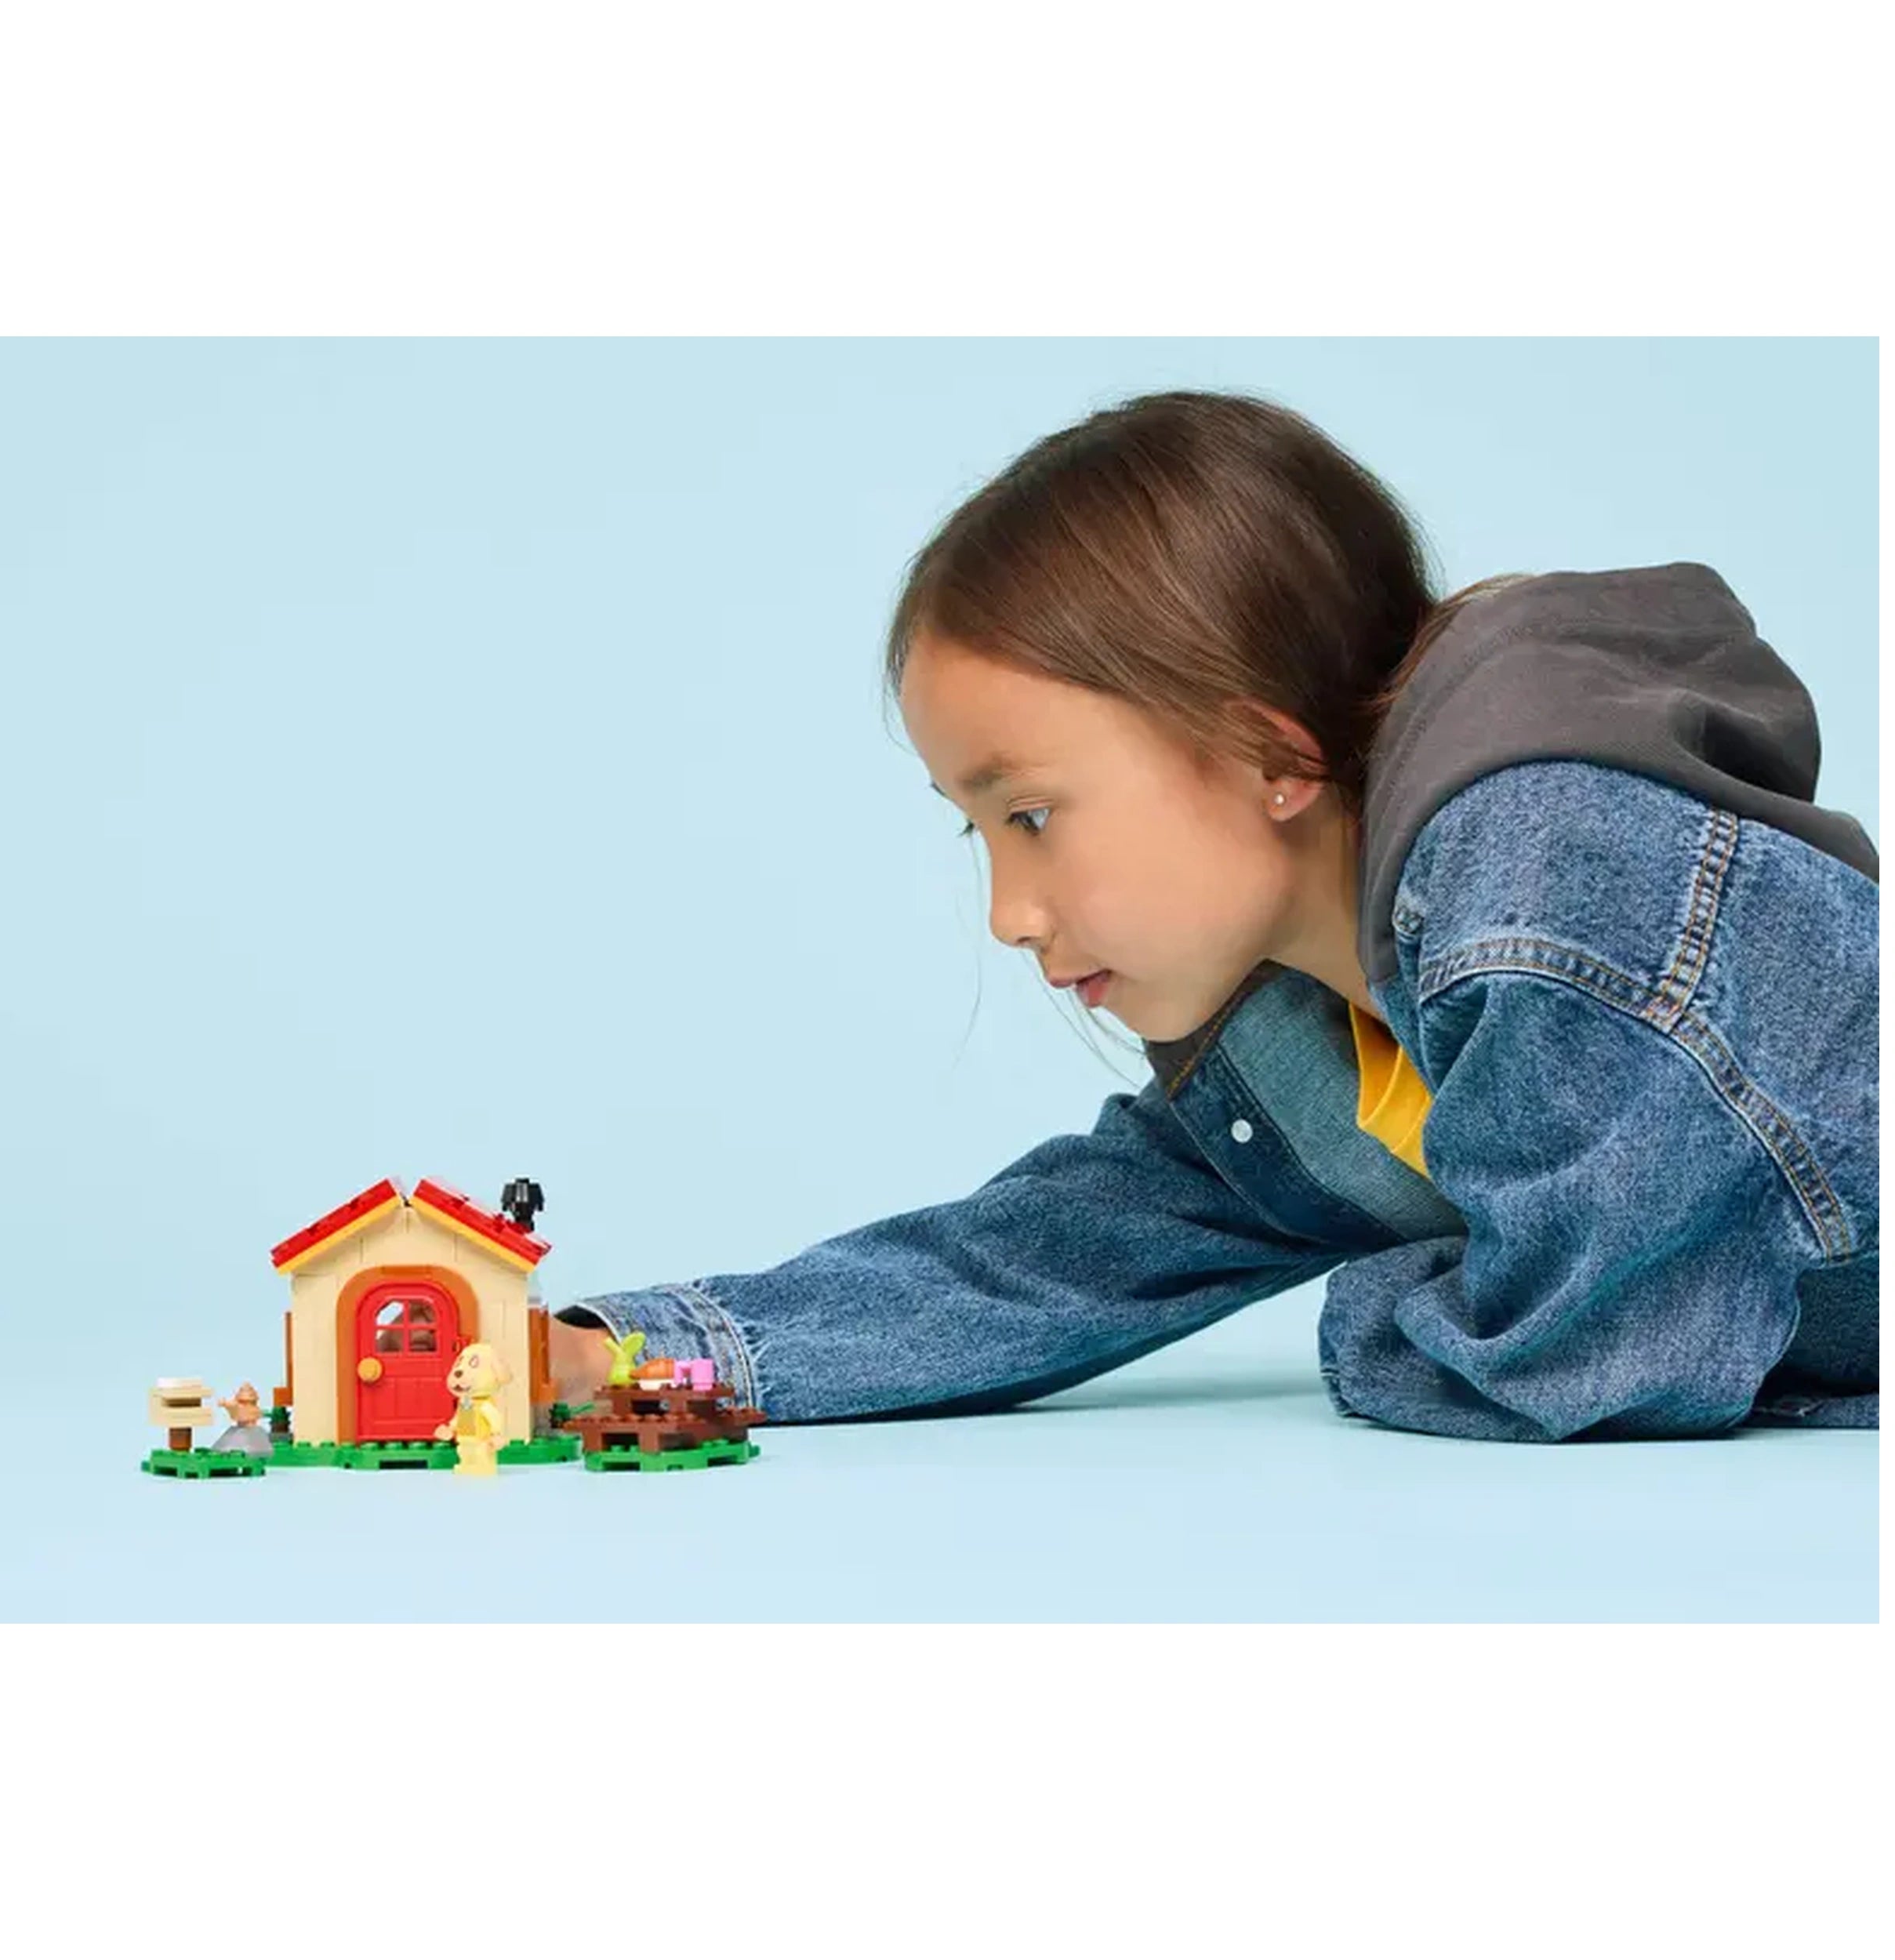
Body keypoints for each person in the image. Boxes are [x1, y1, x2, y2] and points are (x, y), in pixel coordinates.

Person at [548, 390, 1879, 1443]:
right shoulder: (1301, 1053)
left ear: (1268, 761)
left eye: (1033, 815)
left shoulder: (1544, 873)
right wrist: (614, 1359)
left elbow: (1590, 1362)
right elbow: (1032, 1268)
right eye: (980, 832)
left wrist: (1368, 1309)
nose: (1011, 916)